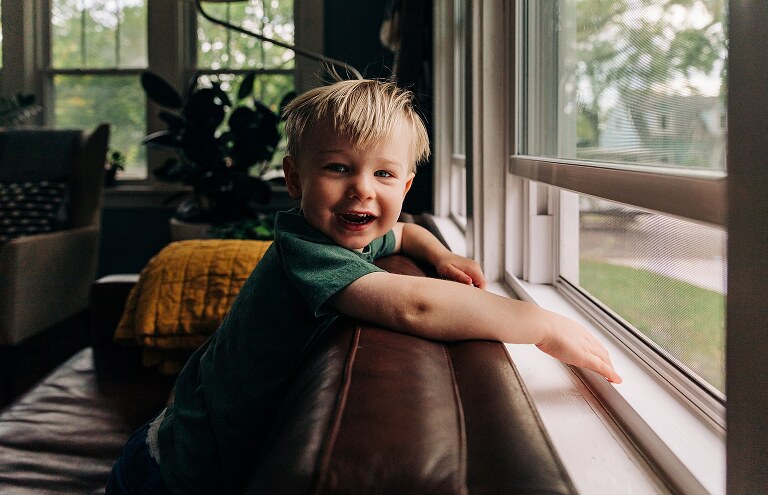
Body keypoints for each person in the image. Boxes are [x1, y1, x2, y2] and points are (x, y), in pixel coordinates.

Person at [106, 79, 621, 495]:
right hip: (174, 470)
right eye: (338, 168)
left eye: (384, 174)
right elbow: (416, 307)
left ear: (406, 186)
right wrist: (540, 324)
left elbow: (407, 234)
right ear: (294, 179)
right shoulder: (308, 251)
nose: (362, 189)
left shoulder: (356, 233)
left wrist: (441, 255)